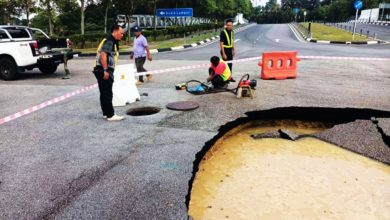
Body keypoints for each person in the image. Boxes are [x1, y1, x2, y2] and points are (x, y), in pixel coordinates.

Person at [93, 25, 125, 121]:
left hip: (99, 69)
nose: (122, 35)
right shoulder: (109, 41)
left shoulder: (108, 40)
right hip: (104, 70)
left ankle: (106, 113)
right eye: (121, 33)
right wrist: (106, 70)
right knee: (107, 93)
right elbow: (103, 54)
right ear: (115, 31)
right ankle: (111, 115)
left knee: (103, 93)